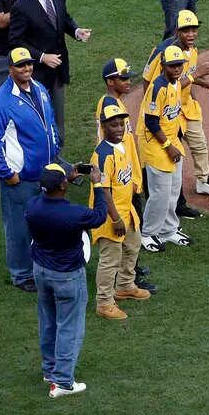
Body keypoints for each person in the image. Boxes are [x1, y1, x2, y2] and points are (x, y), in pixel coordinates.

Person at [25, 163, 108, 398]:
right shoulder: (74, 214)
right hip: (68, 276)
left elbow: (52, 196)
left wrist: (65, 180)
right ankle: (62, 382)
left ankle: (50, 371)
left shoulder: (32, 206)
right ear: (62, 185)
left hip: (41, 271)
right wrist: (98, 184)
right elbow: (99, 216)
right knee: (70, 327)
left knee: (49, 321)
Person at [0, 47, 61, 292]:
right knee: (19, 228)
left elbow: (49, 122)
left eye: (28, 64)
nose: (26, 68)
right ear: (10, 68)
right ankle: (21, 274)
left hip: (45, 173)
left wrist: (56, 145)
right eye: (20, 65)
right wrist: (8, 174)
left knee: (43, 223)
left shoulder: (38, 88)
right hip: (21, 178)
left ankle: (42, 265)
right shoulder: (0, 102)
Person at [142, 10, 209, 203]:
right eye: (186, 30)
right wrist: (153, 107)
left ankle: (204, 180)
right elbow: (149, 82)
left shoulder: (192, 50)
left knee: (199, 144)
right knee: (170, 152)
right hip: (167, 112)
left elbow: (186, 74)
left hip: (186, 105)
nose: (191, 34)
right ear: (177, 31)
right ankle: (174, 199)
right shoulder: (163, 51)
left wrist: (203, 83)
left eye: (194, 30)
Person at [9, 0, 92, 144]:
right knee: (38, 122)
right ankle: (43, 163)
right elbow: (16, 41)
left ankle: (57, 163)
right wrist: (41, 57)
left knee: (58, 121)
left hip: (58, 71)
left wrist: (76, 31)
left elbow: (64, 19)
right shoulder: (21, 7)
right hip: (35, 75)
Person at [95, 59, 158, 293]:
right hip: (119, 181)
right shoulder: (109, 105)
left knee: (133, 229)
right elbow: (107, 146)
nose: (128, 81)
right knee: (123, 230)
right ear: (110, 81)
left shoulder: (116, 102)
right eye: (122, 78)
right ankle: (126, 280)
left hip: (127, 177)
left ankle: (130, 274)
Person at [90, 104, 152, 320]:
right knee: (110, 259)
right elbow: (103, 190)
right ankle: (104, 302)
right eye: (113, 125)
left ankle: (125, 285)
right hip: (110, 214)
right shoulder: (103, 154)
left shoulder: (121, 146)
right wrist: (115, 218)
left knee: (133, 245)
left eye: (121, 124)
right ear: (104, 127)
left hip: (127, 210)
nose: (119, 129)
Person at [139, 45, 193, 251]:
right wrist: (169, 145)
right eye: (173, 66)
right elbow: (151, 122)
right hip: (156, 144)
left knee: (172, 190)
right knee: (160, 193)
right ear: (163, 66)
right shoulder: (158, 87)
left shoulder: (175, 83)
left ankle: (169, 229)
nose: (177, 69)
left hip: (171, 142)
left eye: (180, 65)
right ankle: (148, 233)